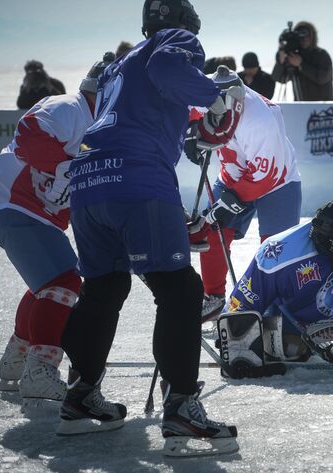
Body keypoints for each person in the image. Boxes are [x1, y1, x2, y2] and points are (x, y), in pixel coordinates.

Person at [58, 0, 240, 456]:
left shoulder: (120, 64)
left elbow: (136, 105)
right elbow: (168, 68)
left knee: (104, 288)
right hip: (136, 177)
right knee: (179, 291)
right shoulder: (173, 40)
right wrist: (213, 95)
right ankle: (180, 407)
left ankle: (79, 398)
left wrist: (190, 124)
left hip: (87, 179)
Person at [0, 53, 110, 412]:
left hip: (34, 212)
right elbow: (28, 134)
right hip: (15, 203)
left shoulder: (98, 128)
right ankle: (40, 370)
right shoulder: (70, 107)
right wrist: (68, 167)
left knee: (49, 284)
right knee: (64, 282)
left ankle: (17, 358)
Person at [216, 199, 333, 375]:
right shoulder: (277, 256)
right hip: (291, 320)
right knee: (293, 350)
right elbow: (245, 300)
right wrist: (233, 339)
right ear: (323, 240)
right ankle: (293, 344)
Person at [188, 65, 301, 321]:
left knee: (275, 249)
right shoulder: (205, 92)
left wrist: (229, 203)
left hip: (277, 180)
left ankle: (276, 304)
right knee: (211, 230)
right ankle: (214, 297)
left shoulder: (258, 121)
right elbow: (184, 108)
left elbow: (265, 176)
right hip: (233, 171)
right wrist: (190, 133)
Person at [271, 21, 333, 101]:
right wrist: (280, 63)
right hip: (301, 106)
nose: (303, 39)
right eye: (300, 36)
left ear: (312, 37)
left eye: (306, 35)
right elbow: (279, 78)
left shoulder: (321, 55)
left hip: (321, 107)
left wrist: (301, 65)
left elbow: (323, 78)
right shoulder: (294, 56)